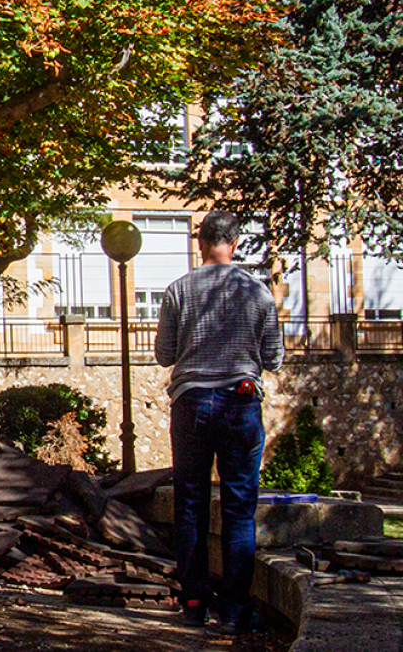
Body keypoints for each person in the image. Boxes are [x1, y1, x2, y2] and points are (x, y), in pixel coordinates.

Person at [154, 210, 284, 633]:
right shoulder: (260, 292)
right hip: (241, 402)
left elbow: (164, 354)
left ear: (200, 243)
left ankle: (193, 603)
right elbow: (274, 358)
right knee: (239, 509)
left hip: (192, 402)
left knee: (189, 505)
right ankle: (234, 609)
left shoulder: (179, 290)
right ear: (237, 244)